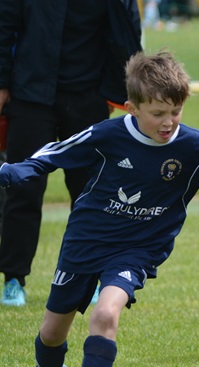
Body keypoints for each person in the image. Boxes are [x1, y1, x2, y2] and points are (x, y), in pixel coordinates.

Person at [0, 50, 199, 367]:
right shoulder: (107, 135)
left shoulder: (194, 146)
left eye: (176, 111)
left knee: (106, 313)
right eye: (158, 113)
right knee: (51, 333)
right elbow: (57, 153)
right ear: (131, 108)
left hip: (137, 249)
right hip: (85, 241)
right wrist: (16, 170)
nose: (168, 122)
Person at [0, 0, 142, 307]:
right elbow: (4, 25)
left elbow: (126, 30)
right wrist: (2, 83)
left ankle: (91, 278)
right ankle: (13, 279)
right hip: (30, 94)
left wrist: (117, 91)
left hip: (87, 96)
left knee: (90, 193)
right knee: (23, 188)